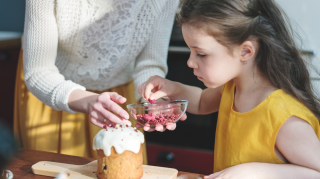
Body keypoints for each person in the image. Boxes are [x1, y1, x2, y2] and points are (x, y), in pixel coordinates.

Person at [138, 0, 320, 178]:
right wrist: (172, 88)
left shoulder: (285, 117)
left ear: (245, 52)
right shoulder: (231, 89)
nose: (190, 62)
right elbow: (201, 102)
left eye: (201, 54)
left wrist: (255, 172)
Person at [14, 0, 179, 164]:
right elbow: (38, 71)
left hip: (117, 101)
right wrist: (85, 100)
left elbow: (149, 65)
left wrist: (154, 101)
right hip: (54, 94)